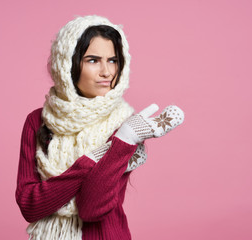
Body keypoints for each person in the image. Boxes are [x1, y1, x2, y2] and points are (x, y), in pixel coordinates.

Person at [16, 15, 184, 240]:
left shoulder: (127, 124)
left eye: (113, 60)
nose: (107, 72)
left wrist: (124, 139)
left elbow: (91, 209)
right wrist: (97, 157)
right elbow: (30, 206)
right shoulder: (37, 121)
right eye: (93, 60)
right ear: (66, 63)